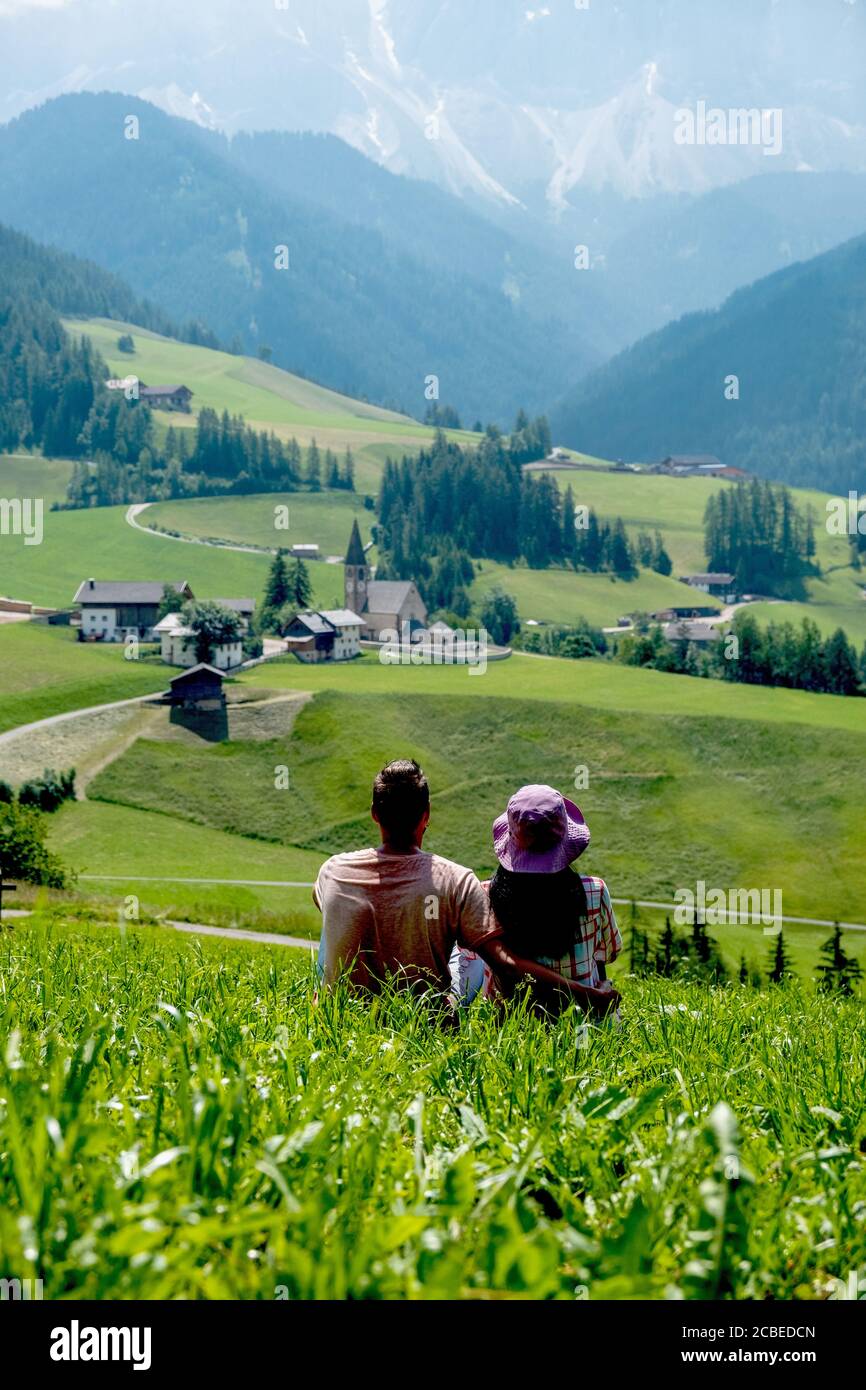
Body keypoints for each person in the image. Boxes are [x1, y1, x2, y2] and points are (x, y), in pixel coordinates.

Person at [314, 759, 602, 1010]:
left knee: (336, 912)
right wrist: (586, 994)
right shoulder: (455, 879)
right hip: (425, 1020)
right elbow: (506, 964)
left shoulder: (332, 871)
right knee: (469, 951)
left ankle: (327, 996)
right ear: (426, 815)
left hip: (341, 1015)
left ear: (375, 814)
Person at [455, 784, 622, 1019]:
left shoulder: (484, 894)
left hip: (510, 1030)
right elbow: (610, 953)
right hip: (583, 1021)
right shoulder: (594, 890)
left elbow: (471, 957)